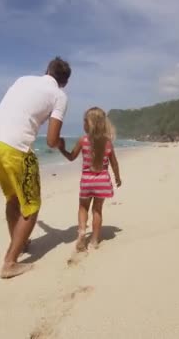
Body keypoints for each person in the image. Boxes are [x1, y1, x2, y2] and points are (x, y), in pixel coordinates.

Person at [0, 57, 71, 279]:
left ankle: (19, 243)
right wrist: (61, 144)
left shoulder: (23, 80)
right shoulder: (59, 96)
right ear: (65, 82)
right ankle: (10, 263)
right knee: (31, 207)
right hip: (16, 148)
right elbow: (51, 141)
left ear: (46, 71)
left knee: (13, 198)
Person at [58, 107, 122, 252]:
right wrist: (117, 178)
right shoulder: (108, 142)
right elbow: (114, 163)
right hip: (102, 182)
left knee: (83, 207)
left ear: (89, 124)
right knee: (97, 210)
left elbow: (71, 157)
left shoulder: (83, 140)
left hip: (87, 181)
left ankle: (81, 233)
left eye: (84, 121)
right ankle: (94, 240)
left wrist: (62, 148)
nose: (83, 124)